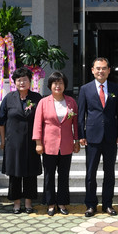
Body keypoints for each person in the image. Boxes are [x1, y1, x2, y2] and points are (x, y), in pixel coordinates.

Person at [77, 57, 118, 217]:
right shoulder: (85, 89)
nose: (100, 71)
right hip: (92, 137)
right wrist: (81, 135)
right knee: (91, 173)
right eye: (98, 68)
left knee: (109, 173)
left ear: (109, 70)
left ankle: (107, 204)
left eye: (104, 68)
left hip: (110, 137)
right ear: (92, 70)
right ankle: (90, 204)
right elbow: (81, 114)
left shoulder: (116, 88)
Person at [33, 71, 79, 216]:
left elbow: (76, 123)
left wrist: (76, 140)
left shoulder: (71, 102)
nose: (58, 86)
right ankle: (50, 203)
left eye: (60, 83)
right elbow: (37, 124)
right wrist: (38, 142)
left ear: (65, 85)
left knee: (64, 175)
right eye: (55, 83)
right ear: (50, 85)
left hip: (66, 145)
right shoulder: (43, 102)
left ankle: (62, 202)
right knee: (49, 175)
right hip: (49, 145)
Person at [0, 67, 43, 214]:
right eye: (19, 80)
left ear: (30, 81)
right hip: (13, 142)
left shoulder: (37, 98)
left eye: (25, 79)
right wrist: (3, 140)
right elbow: (1, 121)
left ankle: (29, 203)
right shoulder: (9, 98)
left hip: (31, 141)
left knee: (30, 173)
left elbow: (42, 120)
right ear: (14, 82)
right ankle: (16, 203)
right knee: (15, 173)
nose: (22, 82)